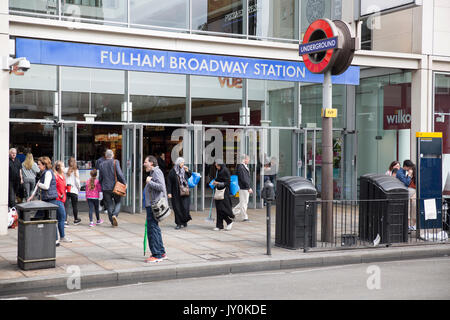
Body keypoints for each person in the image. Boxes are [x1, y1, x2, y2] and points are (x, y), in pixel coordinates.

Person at [28, 157, 72, 245]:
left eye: (39, 164)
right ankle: (55, 239)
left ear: (44, 165)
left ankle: (57, 238)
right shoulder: (46, 173)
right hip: (51, 200)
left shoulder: (48, 173)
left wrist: (37, 186)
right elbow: (41, 185)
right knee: (53, 219)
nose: (38, 166)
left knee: (55, 218)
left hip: (51, 199)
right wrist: (32, 196)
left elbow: (43, 185)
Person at [143, 155, 168, 263]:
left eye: (146, 162)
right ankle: (161, 252)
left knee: (152, 230)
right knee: (155, 229)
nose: (144, 164)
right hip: (152, 206)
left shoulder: (156, 172)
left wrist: (149, 182)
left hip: (153, 206)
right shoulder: (153, 173)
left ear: (151, 163)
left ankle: (157, 255)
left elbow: (161, 187)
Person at [99, 149, 126, 227]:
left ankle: (112, 221)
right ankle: (115, 215)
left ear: (105, 156)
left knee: (109, 204)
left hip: (105, 187)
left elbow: (100, 177)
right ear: (112, 155)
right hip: (115, 186)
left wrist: (101, 184)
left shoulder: (102, 164)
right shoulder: (115, 162)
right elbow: (119, 173)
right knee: (118, 202)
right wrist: (124, 182)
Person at [167, 157, 192, 229]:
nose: (183, 164)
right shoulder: (172, 171)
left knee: (185, 208)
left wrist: (188, 171)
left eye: (183, 162)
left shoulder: (185, 170)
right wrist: (169, 192)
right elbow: (169, 183)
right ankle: (178, 223)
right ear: (178, 163)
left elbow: (190, 176)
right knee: (177, 208)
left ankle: (184, 221)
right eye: (181, 163)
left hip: (184, 192)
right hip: (176, 193)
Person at [212, 159, 235, 231]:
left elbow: (227, 183)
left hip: (224, 192)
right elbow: (219, 179)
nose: (216, 166)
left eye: (217, 165)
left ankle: (229, 221)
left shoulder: (225, 171)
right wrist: (215, 182)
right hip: (219, 191)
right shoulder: (219, 170)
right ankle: (219, 225)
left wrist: (217, 183)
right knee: (218, 209)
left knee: (222, 209)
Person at [232, 154, 253, 222]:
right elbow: (244, 178)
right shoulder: (241, 167)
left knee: (243, 202)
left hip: (243, 187)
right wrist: (248, 187)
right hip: (243, 187)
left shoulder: (241, 166)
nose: (249, 160)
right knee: (244, 202)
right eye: (248, 159)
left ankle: (232, 213)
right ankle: (245, 217)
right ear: (244, 159)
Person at [64, 157, 81, 225]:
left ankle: (65, 220)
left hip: (66, 189)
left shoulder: (65, 170)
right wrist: (79, 187)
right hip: (74, 190)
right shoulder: (76, 171)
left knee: (66, 206)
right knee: (75, 205)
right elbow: (77, 181)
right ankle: (76, 219)